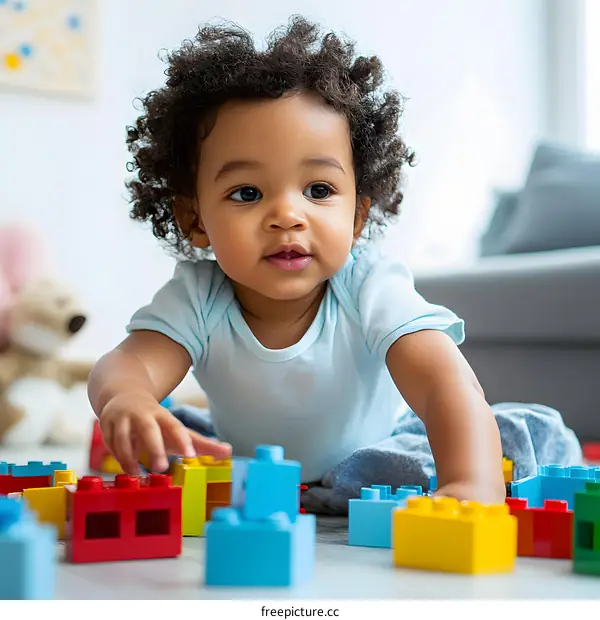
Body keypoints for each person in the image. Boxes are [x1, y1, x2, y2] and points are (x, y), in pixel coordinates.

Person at [88, 16, 581, 508]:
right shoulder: (199, 297)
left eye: (318, 190)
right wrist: (126, 398)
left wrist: (470, 485)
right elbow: (128, 363)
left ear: (357, 217)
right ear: (195, 218)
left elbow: (441, 383)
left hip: (379, 456)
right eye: (247, 192)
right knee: (173, 446)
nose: (286, 215)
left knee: (500, 439)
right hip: (258, 467)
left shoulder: (367, 285)